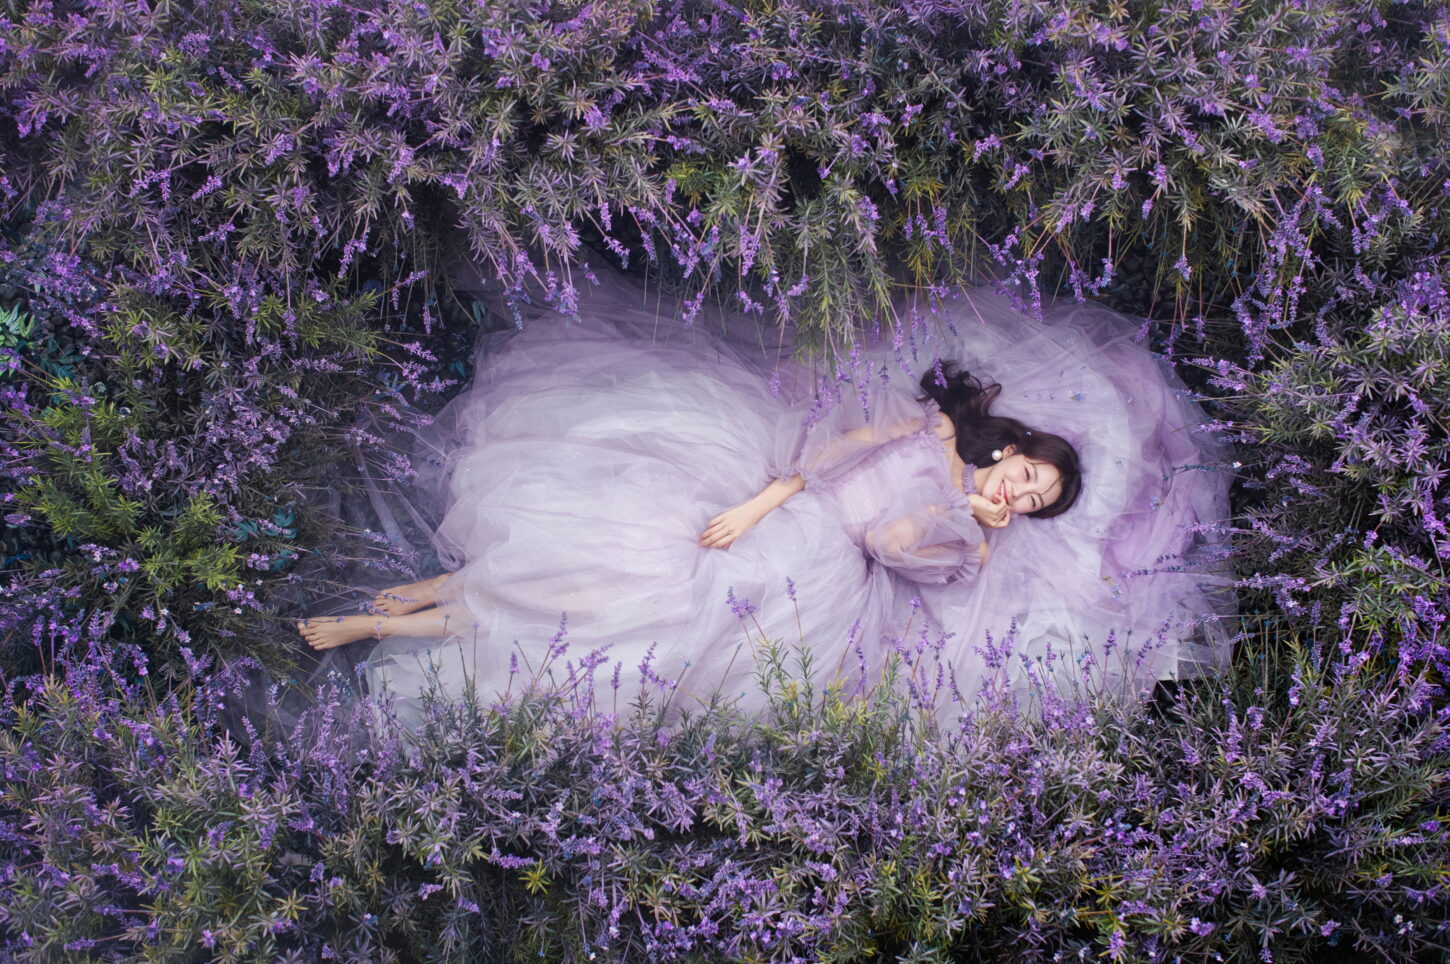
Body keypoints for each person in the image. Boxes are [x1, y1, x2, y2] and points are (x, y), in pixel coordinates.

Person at [295, 255, 1237, 729]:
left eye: (1034, 502)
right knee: (613, 541)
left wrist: (967, 520)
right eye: (1028, 477)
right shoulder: (938, 430)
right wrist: (758, 504)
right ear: (1016, 446)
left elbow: (889, 547)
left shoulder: (978, 541)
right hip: (783, 502)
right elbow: (834, 454)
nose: (1020, 495)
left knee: (639, 608)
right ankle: (423, 599)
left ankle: (396, 619)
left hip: (820, 569)